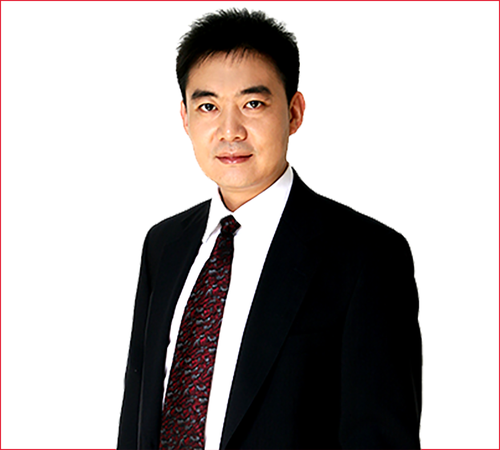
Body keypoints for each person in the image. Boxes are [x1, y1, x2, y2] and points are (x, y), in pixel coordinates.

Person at [117, 8, 422, 450]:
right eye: (208, 107)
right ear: (185, 118)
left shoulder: (366, 256)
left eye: (253, 104)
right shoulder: (164, 244)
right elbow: (138, 413)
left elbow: (380, 439)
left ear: (294, 113)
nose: (229, 131)